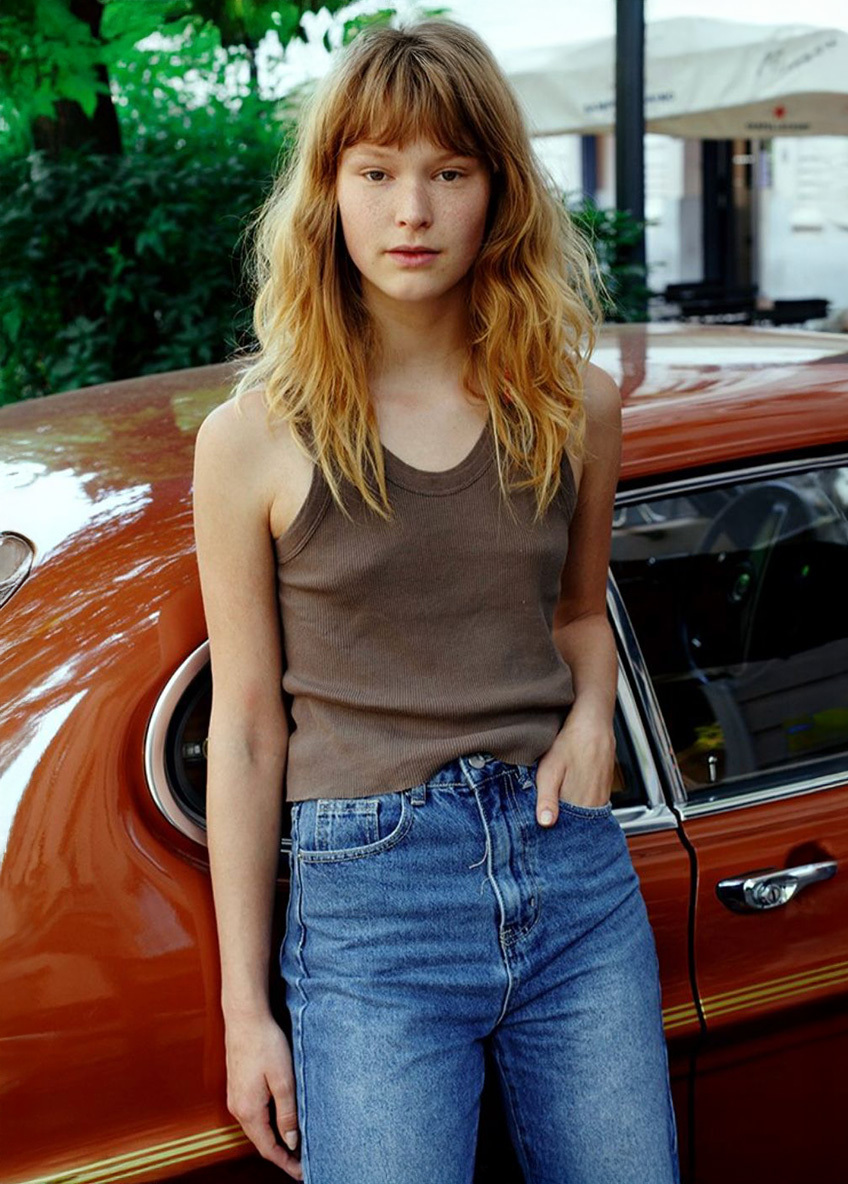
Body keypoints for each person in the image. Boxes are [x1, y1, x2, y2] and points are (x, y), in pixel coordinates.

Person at [192, 16, 681, 1184]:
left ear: (497, 190)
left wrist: (590, 718)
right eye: (375, 173)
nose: (410, 211)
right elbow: (247, 728)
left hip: (571, 873)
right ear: (329, 192)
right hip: (370, 906)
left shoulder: (573, 404)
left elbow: (576, 612)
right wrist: (244, 1012)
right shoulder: (252, 438)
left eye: (448, 172)